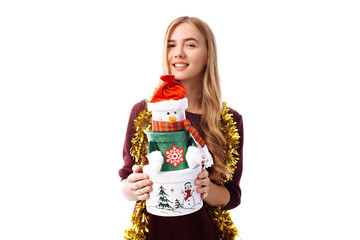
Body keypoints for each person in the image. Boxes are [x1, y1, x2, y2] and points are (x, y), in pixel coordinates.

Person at [119, 16, 244, 240]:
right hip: (153, 233)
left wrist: (206, 188)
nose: (178, 53)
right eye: (171, 45)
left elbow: (231, 196)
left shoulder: (228, 121)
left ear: (208, 55)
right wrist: (132, 187)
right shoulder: (143, 112)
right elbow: (127, 180)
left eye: (190, 44)